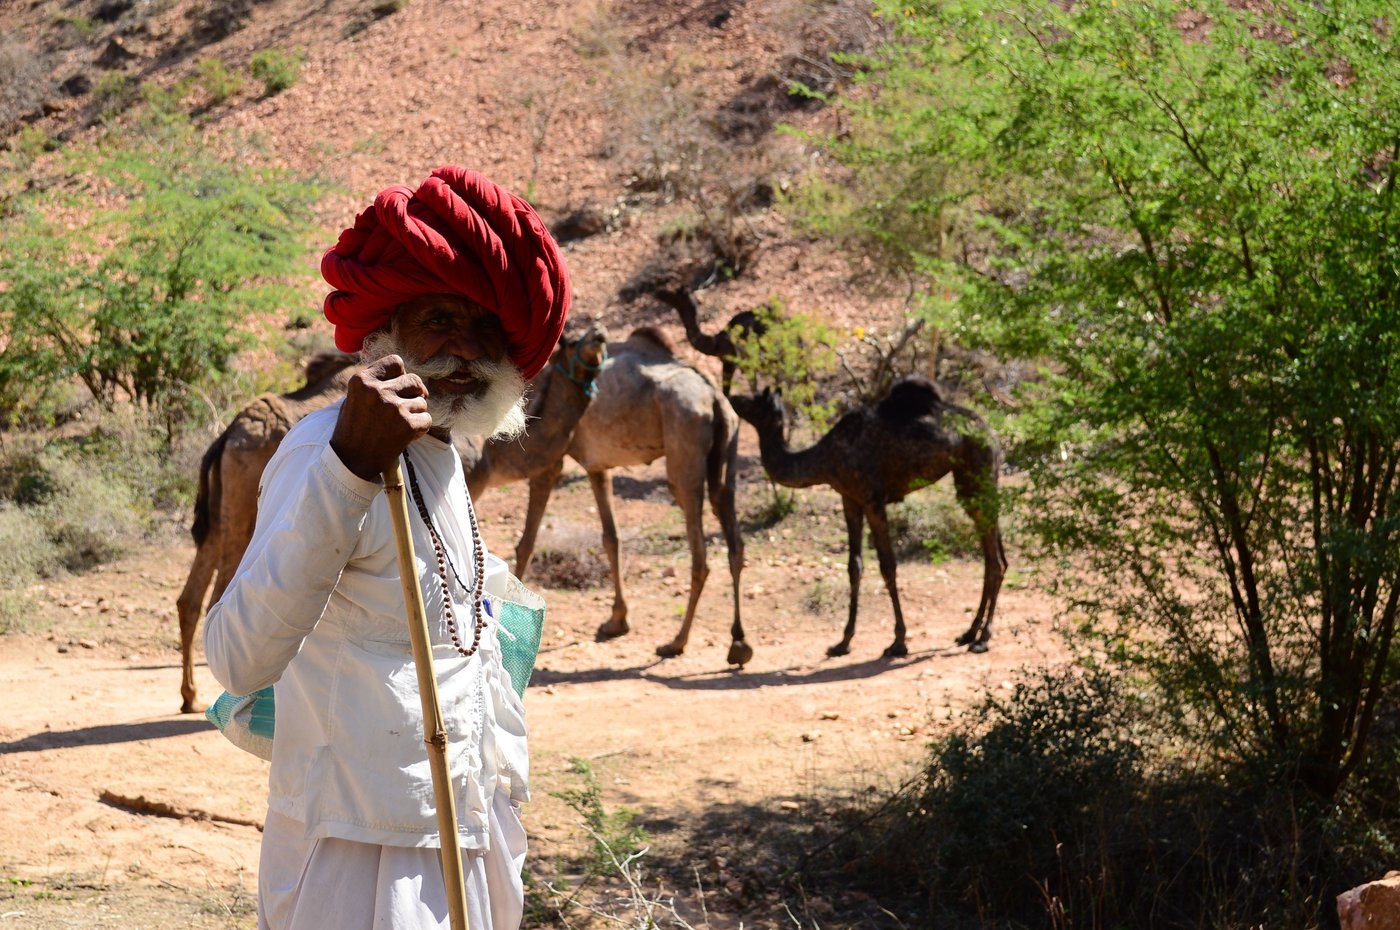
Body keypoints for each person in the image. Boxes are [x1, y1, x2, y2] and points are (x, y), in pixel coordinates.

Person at [204, 166, 570, 930]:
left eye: (484, 328)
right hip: (358, 859)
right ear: (385, 334)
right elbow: (239, 658)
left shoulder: (446, 454)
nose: (464, 350)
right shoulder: (321, 452)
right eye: (439, 319)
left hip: (460, 835)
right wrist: (350, 469)